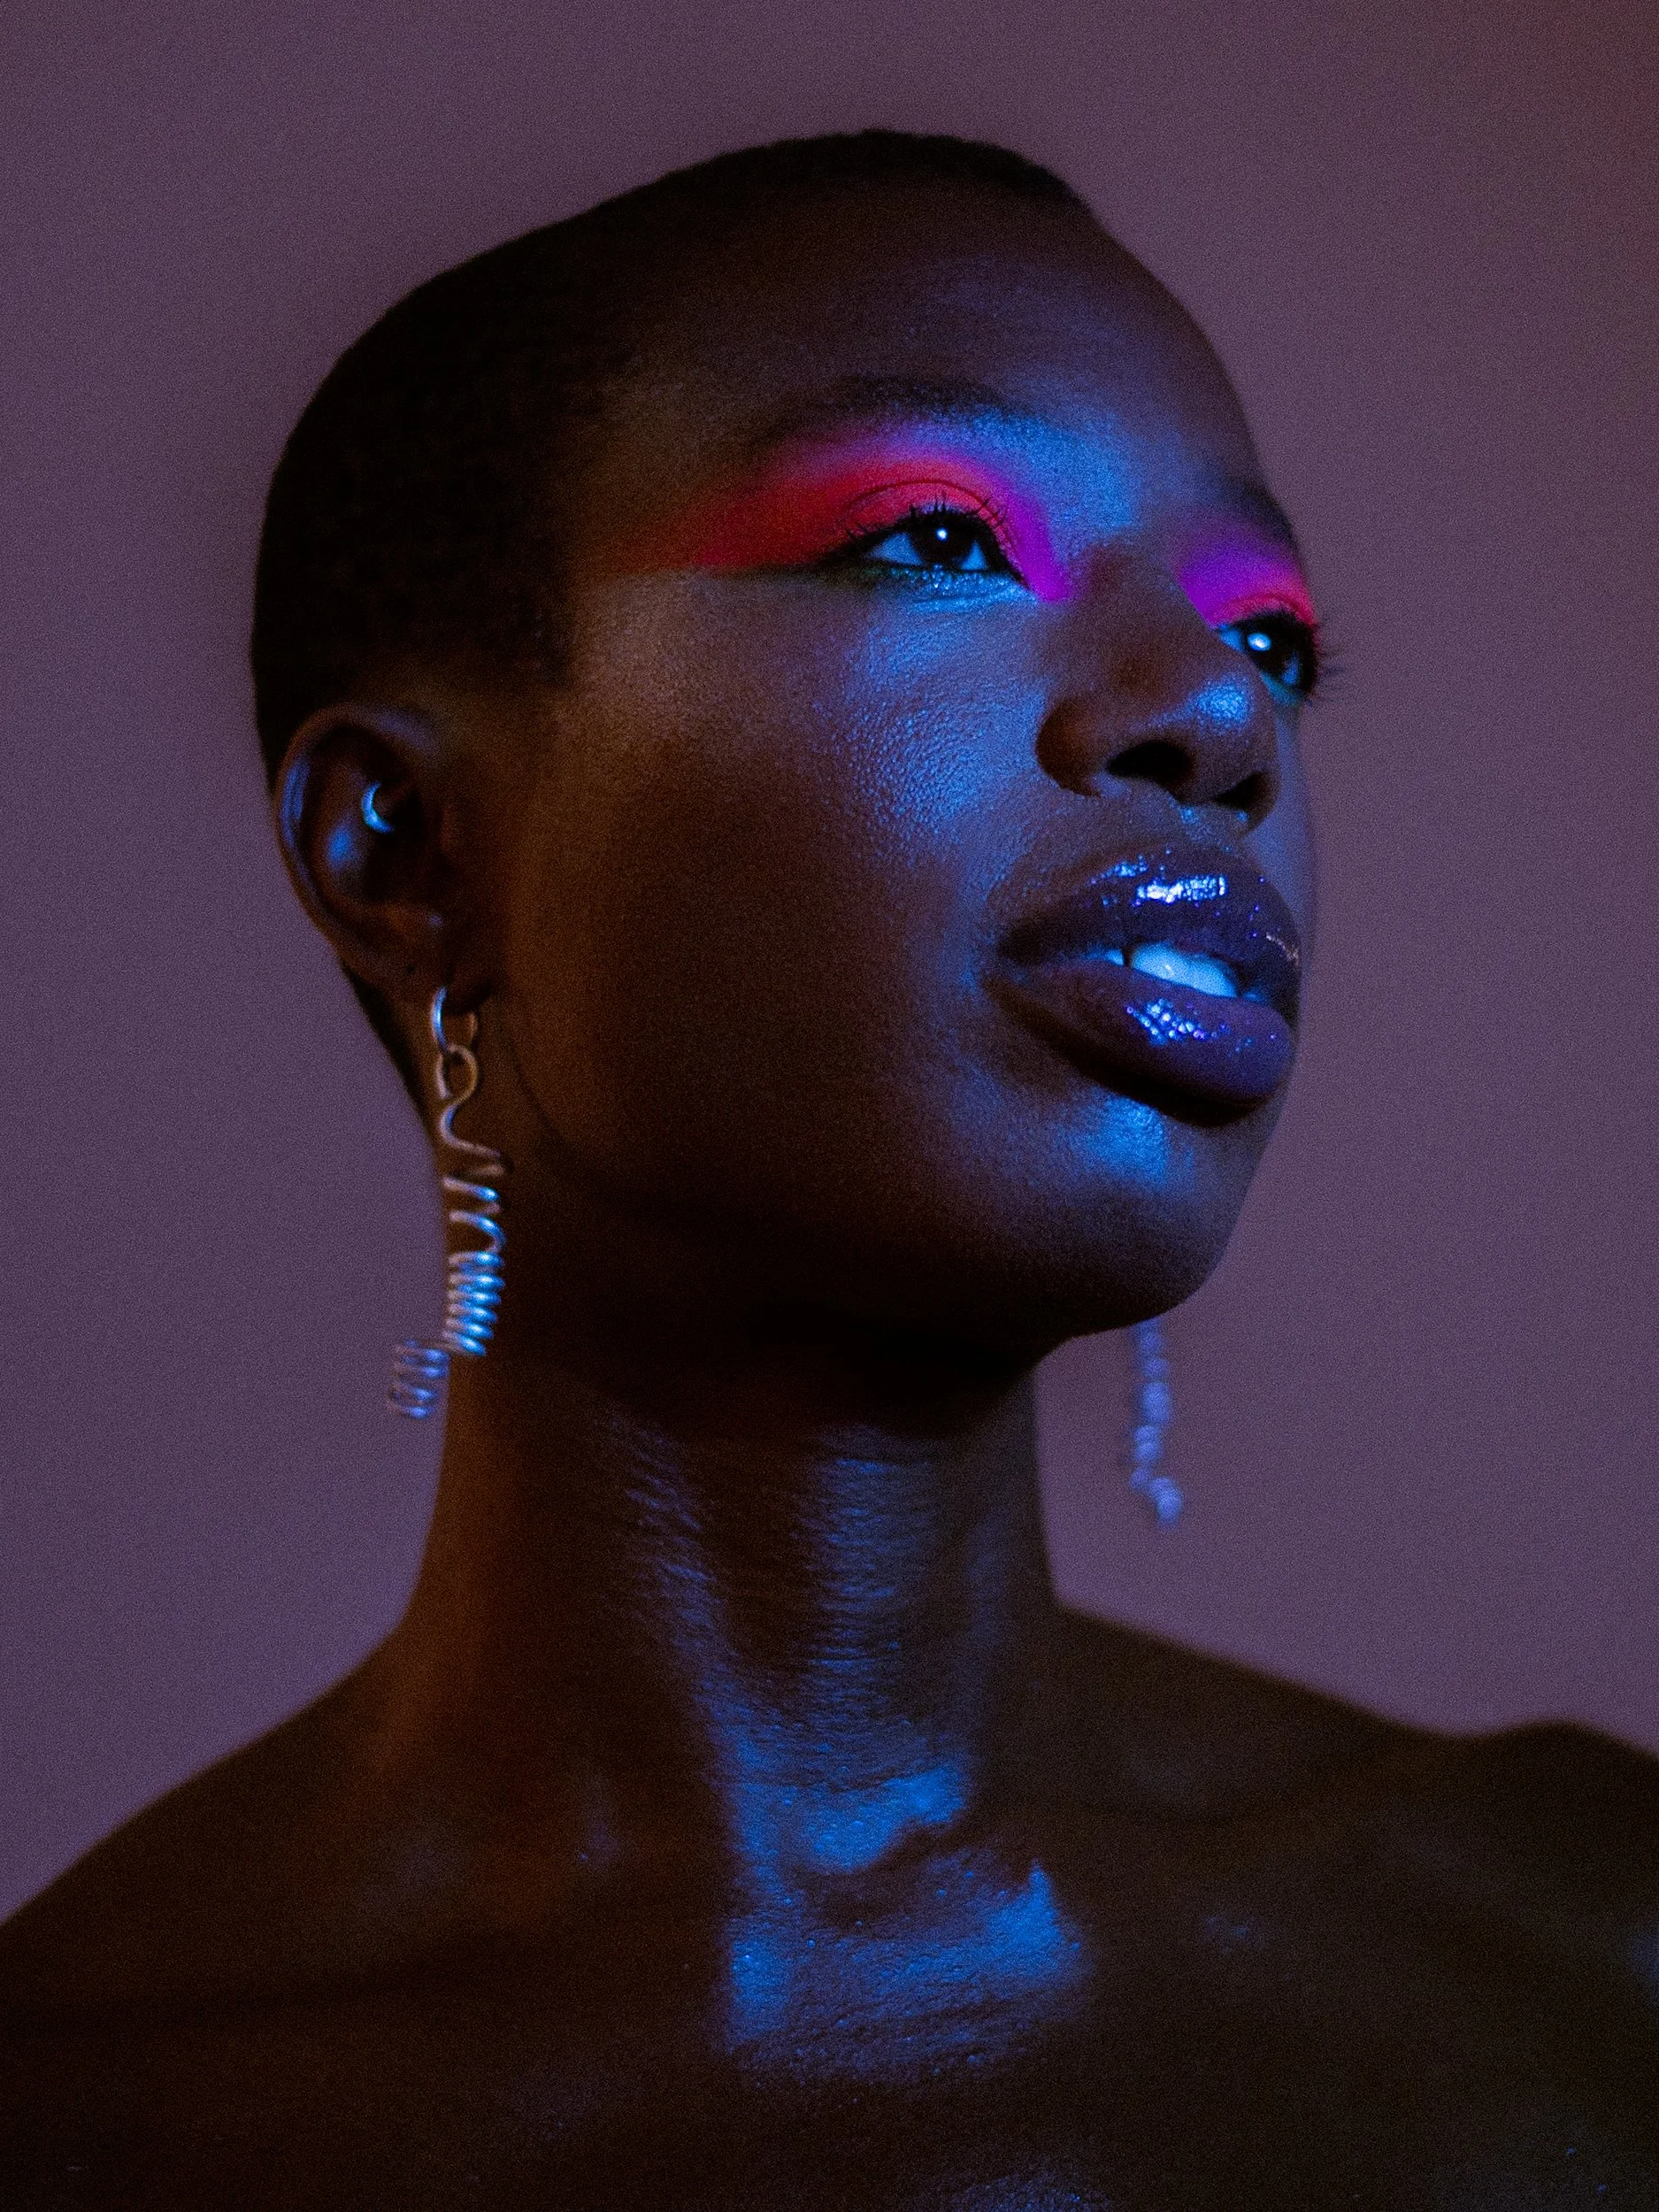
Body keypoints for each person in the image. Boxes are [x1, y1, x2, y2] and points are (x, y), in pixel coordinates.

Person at [3, 130, 1655, 2210]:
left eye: (1279, 639)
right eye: (938, 536)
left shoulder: (1590, 1956)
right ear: (404, 852)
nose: (1219, 714)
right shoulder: (93, 2131)